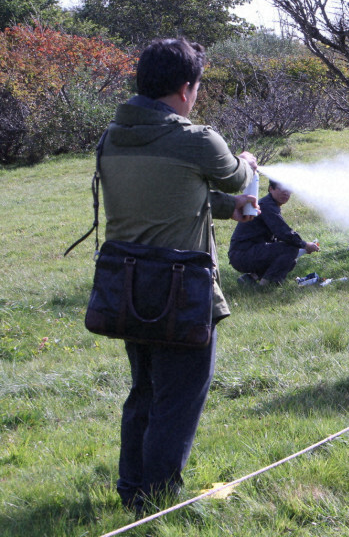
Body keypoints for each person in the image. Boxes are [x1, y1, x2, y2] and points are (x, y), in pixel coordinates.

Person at [99, 37, 259, 513]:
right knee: (178, 400)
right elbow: (234, 175)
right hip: (182, 293)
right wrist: (247, 168)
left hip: (127, 288)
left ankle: (133, 491)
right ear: (187, 88)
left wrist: (229, 211)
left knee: (144, 392)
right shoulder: (199, 139)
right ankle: (160, 502)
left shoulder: (113, 135)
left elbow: (171, 195)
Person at [228, 179, 320, 286]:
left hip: (245, 253)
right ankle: (267, 284)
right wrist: (304, 245)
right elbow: (283, 232)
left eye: (289, 190)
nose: (286, 193)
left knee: (290, 259)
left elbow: (280, 237)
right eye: (282, 188)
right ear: (271, 189)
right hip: (243, 254)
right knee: (291, 249)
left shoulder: (270, 204)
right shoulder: (266, 206)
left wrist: (302, 248)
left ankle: (250, 278)